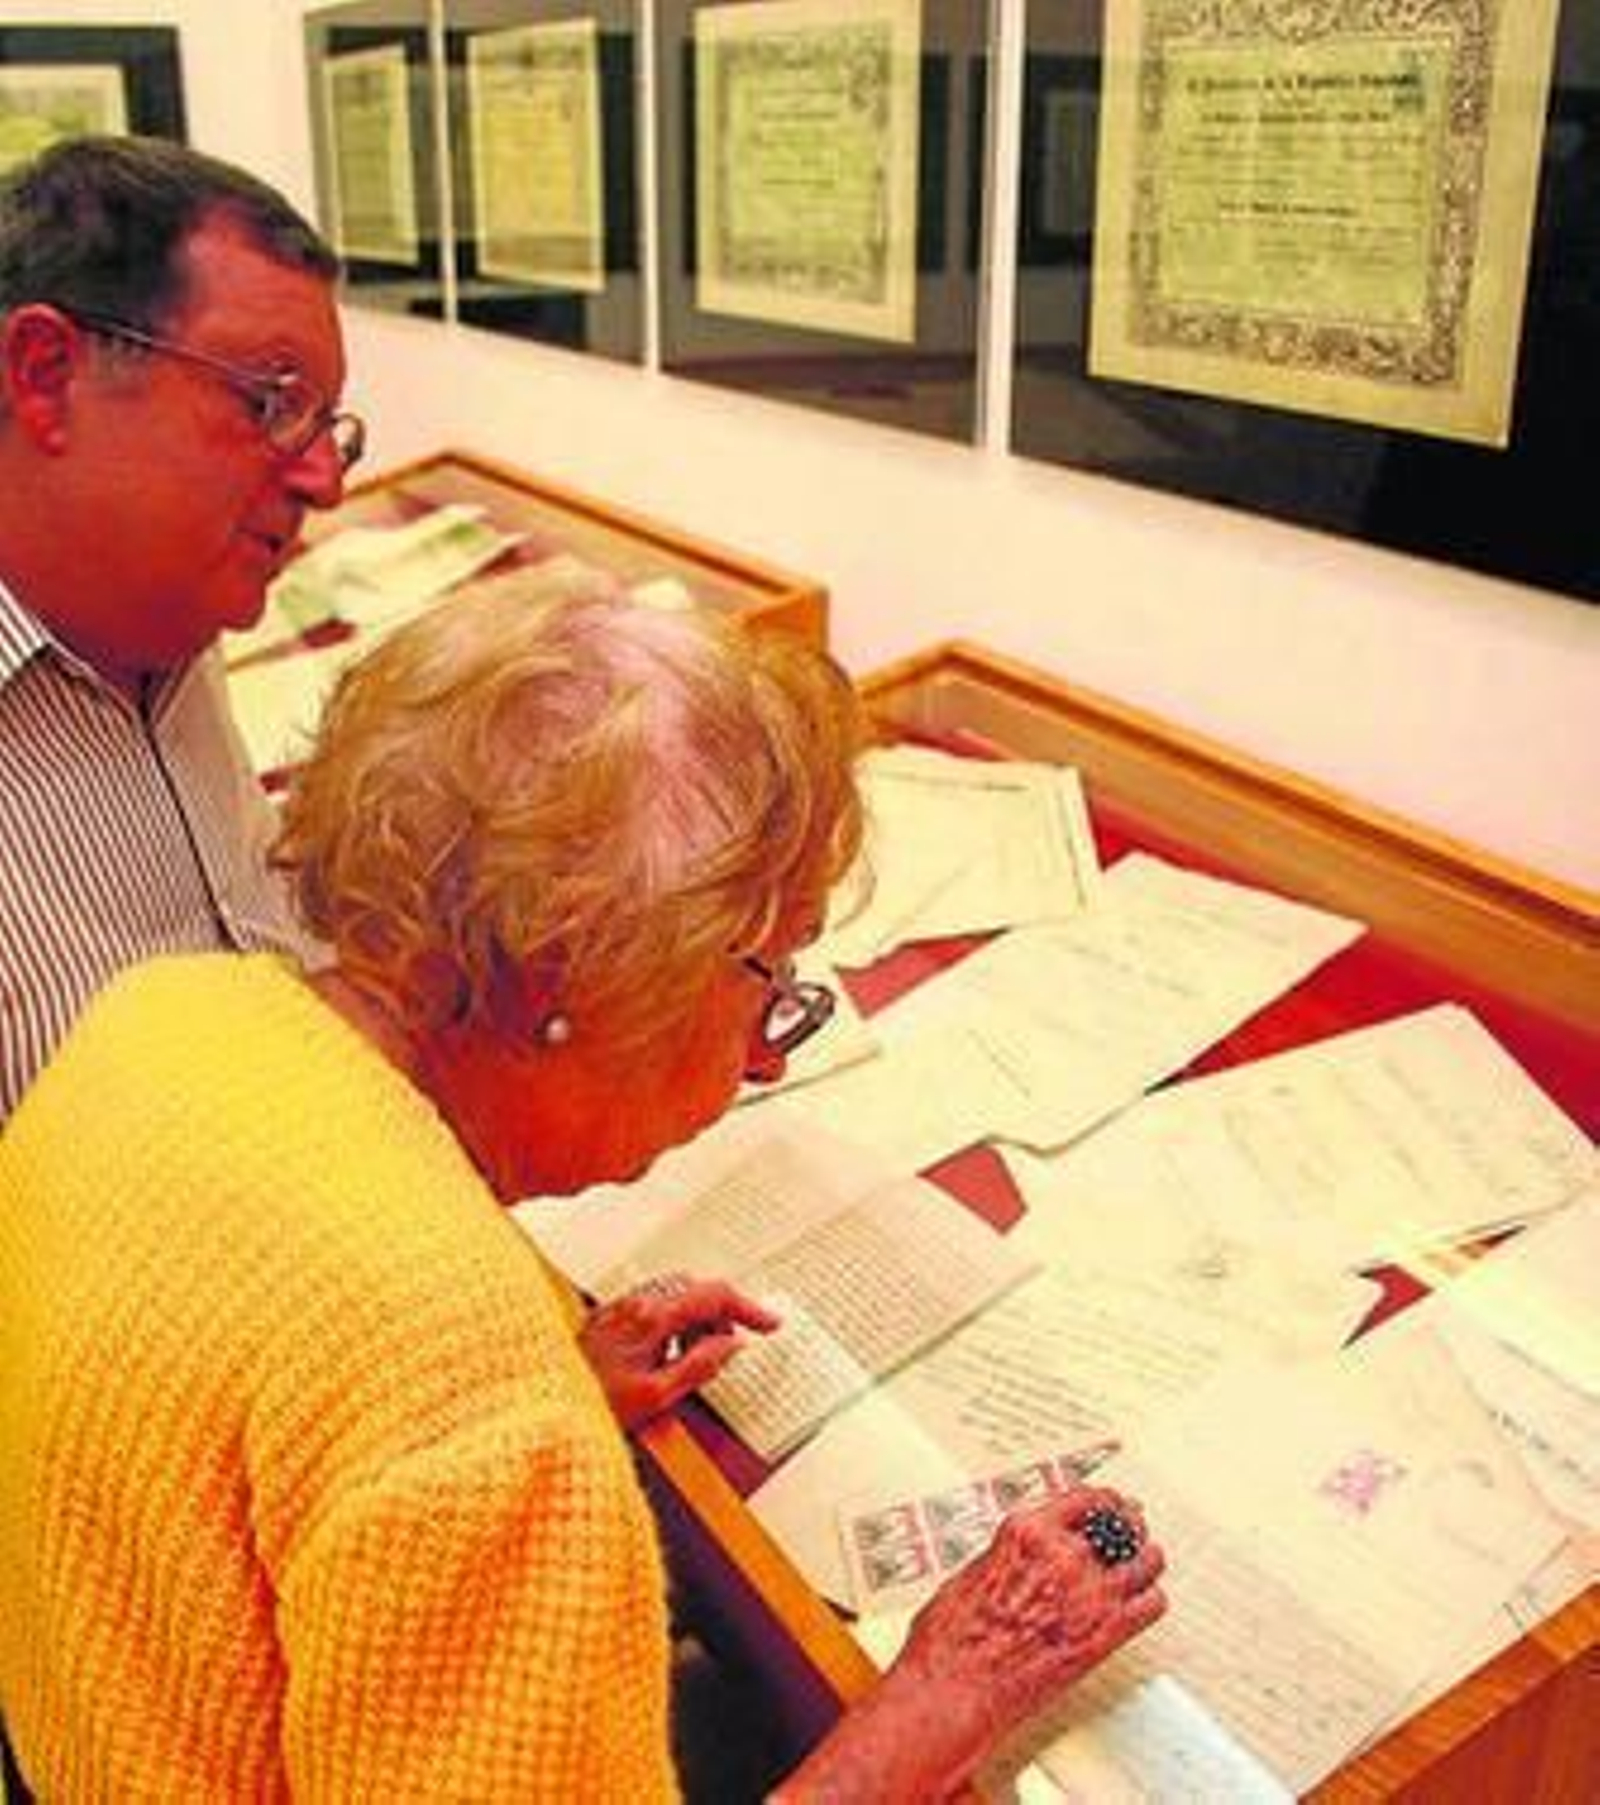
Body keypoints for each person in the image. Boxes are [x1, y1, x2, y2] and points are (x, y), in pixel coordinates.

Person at [0, 575, 1167, 1798]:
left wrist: (545, 1383)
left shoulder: (161, 1012)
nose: (769, 1048)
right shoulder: (483, 1425)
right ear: (569, 983)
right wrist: (949, 1687)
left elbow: (230, 1421)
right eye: (765, 980)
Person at [0, 134, 357, 1123]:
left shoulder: (169, 616)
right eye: (271, 399)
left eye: (330, 424)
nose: (325, 478)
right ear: (44, 374)